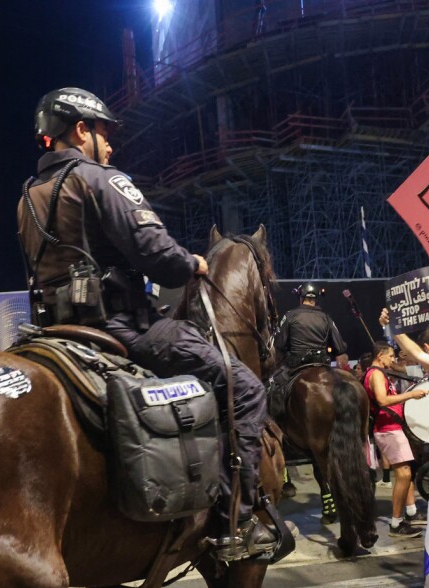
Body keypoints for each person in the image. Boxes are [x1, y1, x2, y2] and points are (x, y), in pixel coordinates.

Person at [17, 87, 274, 555]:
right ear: (80, 131)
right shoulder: (101, 178)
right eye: (105, 133)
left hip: (52, 330)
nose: (110, 145)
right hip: (120, 327)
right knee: (246, 390)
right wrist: (189, 263)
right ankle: (234, 519)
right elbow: (156, 253)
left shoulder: (28, 199)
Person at [362, 341, 428, 537]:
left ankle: (411, 512)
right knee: (405, 474)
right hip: (387, 429)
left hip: (392, 427)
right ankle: (396, 523)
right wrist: (411, 395)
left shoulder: (380, 373)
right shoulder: (375, 374)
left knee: (405, 470)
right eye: (390, 356)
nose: (393, 359)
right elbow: (382, 400)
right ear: (380, 355)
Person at [268, 282, 349, 416]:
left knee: (273, 387)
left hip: (295, 367)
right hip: (322, 364)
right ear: (316, 299)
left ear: (300, 297)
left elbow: (280, 344)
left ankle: (277, 427)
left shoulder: (290, 315)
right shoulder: (326, 317)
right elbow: (340, 347)